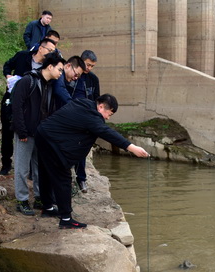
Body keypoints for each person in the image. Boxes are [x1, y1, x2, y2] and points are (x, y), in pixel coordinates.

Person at [35, 94, 149, 229]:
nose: (107, 118)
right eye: (109, 114)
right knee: (63, 178)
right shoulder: (91, 117)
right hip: (51, 141)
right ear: (101, 106)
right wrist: (131, 147)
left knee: (45, 173)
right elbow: (106, 132)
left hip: (43, 134)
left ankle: (47, 208)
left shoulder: (83, 103)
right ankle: (66, 219)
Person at [11, 53, 65, 216]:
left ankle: (40, 198)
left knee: (38, 168)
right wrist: (21, 131)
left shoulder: (49, 85)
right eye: (60, 70)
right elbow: (16, 106)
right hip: (25, 133)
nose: (61, 73)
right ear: (50, 66)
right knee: (22, 167)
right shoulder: (27, 81)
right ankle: (22, 200)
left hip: (40, 134)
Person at [0, 38, 58, 176]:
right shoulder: (22, 56)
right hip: (12, 97)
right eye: (49, 50)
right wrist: (9, 76)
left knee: (30, 136)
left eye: (53, 51)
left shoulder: (46, 66)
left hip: (33, 106)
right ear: (41, 48)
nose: (50, 53)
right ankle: (6, 164)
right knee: (7, 131)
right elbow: (7, 65)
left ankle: (31, 169)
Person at [66, 50, 100, 193]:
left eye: (92, 66)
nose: (89, 68)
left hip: (85, 118)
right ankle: (67, 178)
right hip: (68, 115)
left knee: (81, 149)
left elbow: (97, 100)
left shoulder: (93, 79)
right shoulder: (71, 75)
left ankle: (81, 179)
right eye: (87, 65)